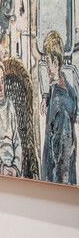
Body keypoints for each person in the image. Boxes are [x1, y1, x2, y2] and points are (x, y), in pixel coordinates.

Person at [40, 31, 77, 184]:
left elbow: (62, 164)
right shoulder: (62, 87)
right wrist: (46, 98)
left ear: (55, 61)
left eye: (47, 60)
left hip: (55, 183)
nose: (46, 65)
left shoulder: (60, 104)